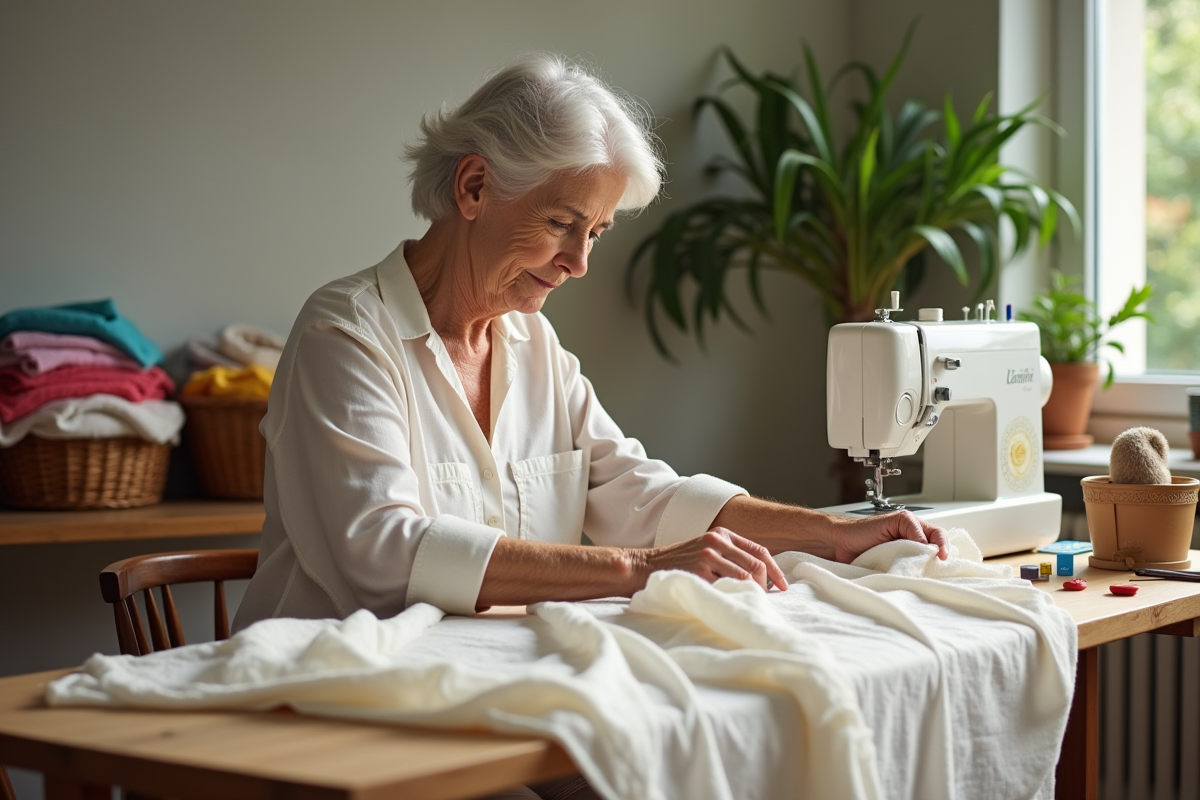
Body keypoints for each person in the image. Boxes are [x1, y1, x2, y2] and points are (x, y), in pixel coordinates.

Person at [232, 53, 948, 799]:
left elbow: (637, 491)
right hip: (337, 716)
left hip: (491, 691)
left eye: (597, 233)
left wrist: (830, 536)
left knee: (702, 758)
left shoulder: (532, 345)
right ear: (473, 187)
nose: (578, 262)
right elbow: (382, 553)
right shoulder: (344, 335)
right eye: (560, 224)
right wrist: (639, 568)